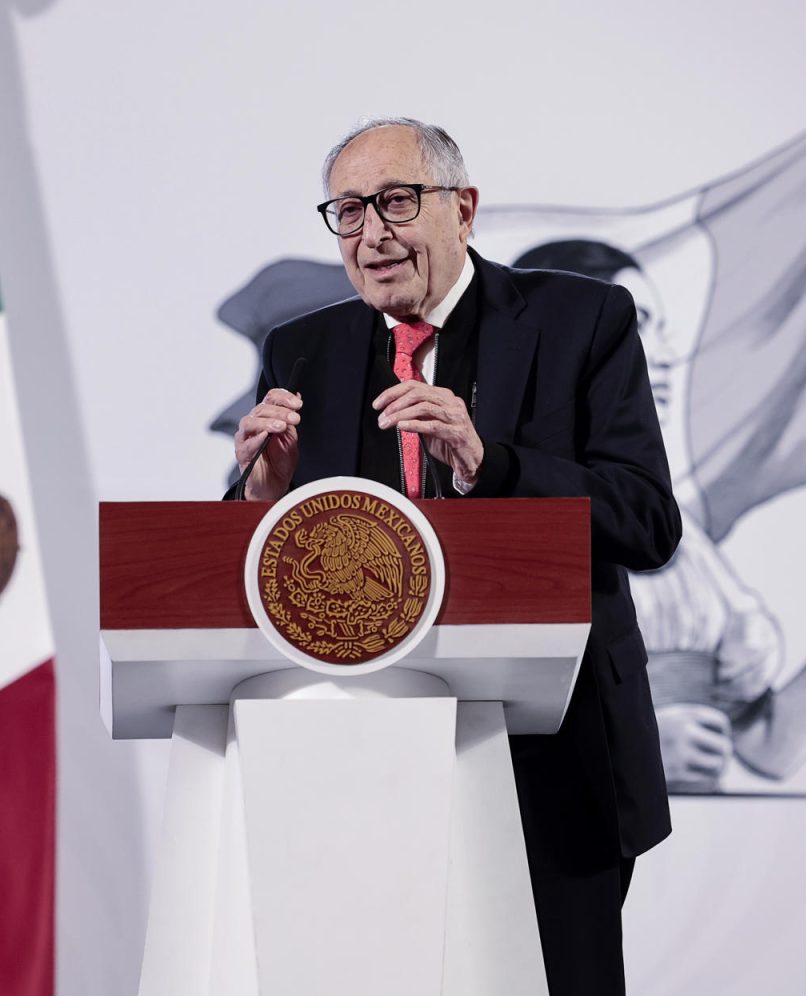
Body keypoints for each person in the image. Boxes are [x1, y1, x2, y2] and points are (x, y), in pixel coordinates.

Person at [232, 119, 681, 995]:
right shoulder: (303, 351)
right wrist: (260, 500)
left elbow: (647, 521)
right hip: (361, 766)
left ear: (463, 209)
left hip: (552, 764)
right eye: (349, 210)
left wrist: (492, 465)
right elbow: (269, 570)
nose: (373, 233)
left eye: (398, 201)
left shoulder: (580, 319)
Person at [512, 240, 806, 791]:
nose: (666, 353)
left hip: (700, 863)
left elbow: (768, 748)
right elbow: (474, 738)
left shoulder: (673, 534)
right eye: (636, 325)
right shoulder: (495, 518)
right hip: (568, 856)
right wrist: (633, 748)